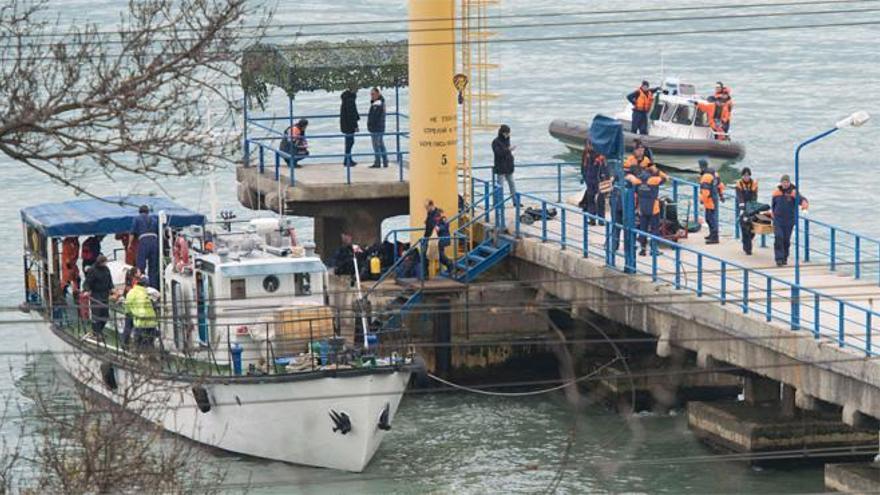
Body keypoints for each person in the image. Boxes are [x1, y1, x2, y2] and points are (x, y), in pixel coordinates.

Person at [630, 166, 668, 256]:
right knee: (655, 229)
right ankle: (653, 250)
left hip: (642, 207)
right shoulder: (654, 180)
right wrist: (658, 170)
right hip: (653, 208)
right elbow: (666, 178)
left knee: (643, 229)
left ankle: (642, 250)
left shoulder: (638, 180)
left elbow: (634, 191)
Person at [771, 174, 808, 267]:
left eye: (787, 182)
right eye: (783, 182)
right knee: (779, 237)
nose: (785, 184)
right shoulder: (776, 193)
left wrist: (804, 206)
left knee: (786, 240)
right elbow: (773, 205)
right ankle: (778, 259)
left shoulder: (794, 192)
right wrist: (773, 215)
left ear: (789, 182)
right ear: (781, 183)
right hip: (778, 219)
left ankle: (784, 258)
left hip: (789, 220)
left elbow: (802, 200)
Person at [83, 255, 113, 341]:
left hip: (105, 294)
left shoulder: (106, 270)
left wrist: (112, 288)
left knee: (105, 315)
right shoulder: (93, 270)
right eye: (104, 262)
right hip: (96, 295)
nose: (106, 264)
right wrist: (87, 290)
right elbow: (87, 282)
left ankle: (99, 331)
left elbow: (109, 281)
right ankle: (96, 333)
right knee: (97, 315)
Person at [124, 275, 158, 352]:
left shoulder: (131, 293)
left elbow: (127, 308)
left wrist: (128, 312)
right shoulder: (147, 292)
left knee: (138, 342)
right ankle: (150, 356)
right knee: (150, 342)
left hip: (140, 322)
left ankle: (139, 355)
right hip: (151, 322)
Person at [580, 139, 609, 224]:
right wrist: (584, 177)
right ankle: (592, 219)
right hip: (590, 180)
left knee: (600, 200)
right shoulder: (586, 154)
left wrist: (605, 179)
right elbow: (583, 167)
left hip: (598, 180)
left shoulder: (600, 156)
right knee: (591, 200)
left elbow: (604, 168)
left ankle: (601, 220)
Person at [131, 205, 159, 289]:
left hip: (144, 241)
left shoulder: (137, 218)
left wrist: (129, 244)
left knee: (141, 266)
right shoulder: (154, 219)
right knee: (153, 267)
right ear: (148, 212)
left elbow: (132, 233)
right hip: (154, 242)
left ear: (140, 211)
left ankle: (142, 286)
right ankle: (154, 287)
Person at [699, 159, 725, 244]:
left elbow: (705, 191)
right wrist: (721, 195)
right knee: (711, 218)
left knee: (710, 219)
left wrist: (702, 200)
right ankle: (712, 234)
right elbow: (720, 185)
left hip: (709, 200)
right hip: (714, 198)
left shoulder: (706, 177)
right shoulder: (715, 174)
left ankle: (714, 238)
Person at [492, 124, 518, 206]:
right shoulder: (496, 142)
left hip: (508, 166)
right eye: (506, 133)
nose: (508, 135)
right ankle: (499, 203)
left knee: (512, 184)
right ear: (502, 133)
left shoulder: (507, 140)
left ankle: (515, 202)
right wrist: (508, 150)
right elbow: (498, 153)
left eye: (508, 133)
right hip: (500, 167)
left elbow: (506, 152)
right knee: (500, 186)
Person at [735, 167, 759, 255]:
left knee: (753, 229)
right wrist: (742, 208)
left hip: (752, 207)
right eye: (744, 175)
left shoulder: (754, 183)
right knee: (745, 228)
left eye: (748, 175)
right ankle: (748, 249)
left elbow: (754, 196)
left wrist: (752, 208)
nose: (746, 177)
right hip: (742, 207)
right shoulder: (739, 184)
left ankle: (747, 240)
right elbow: (739, 196)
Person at [367, 87, 389, 168]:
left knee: (376, 145)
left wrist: (370, 125)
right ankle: (385, 161)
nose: (371, 96)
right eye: (371, 94)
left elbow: (374, 117)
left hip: (376, 128)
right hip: (380, 127)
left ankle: (378, 162)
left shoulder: (378, 104)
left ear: (378, 94)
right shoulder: (379, 102)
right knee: (381, 145)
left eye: (373, 94)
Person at [340, 86, 360, 167]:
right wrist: (355, 125)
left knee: (348, 142)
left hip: (345, 124)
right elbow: (351, 114)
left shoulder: (346, 98)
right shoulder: (350, 100)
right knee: (350, 142)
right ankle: (347, 160)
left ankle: (348, 159)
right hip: (349, 125)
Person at [434, 209, 453, 273]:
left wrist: (438, 228)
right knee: (439, 254)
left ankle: (449, 264)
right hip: (440, 240)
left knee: (440, 254)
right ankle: (449, 265)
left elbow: (444, 227)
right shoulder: (438, 221)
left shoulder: (443, 220)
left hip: (443, 239)